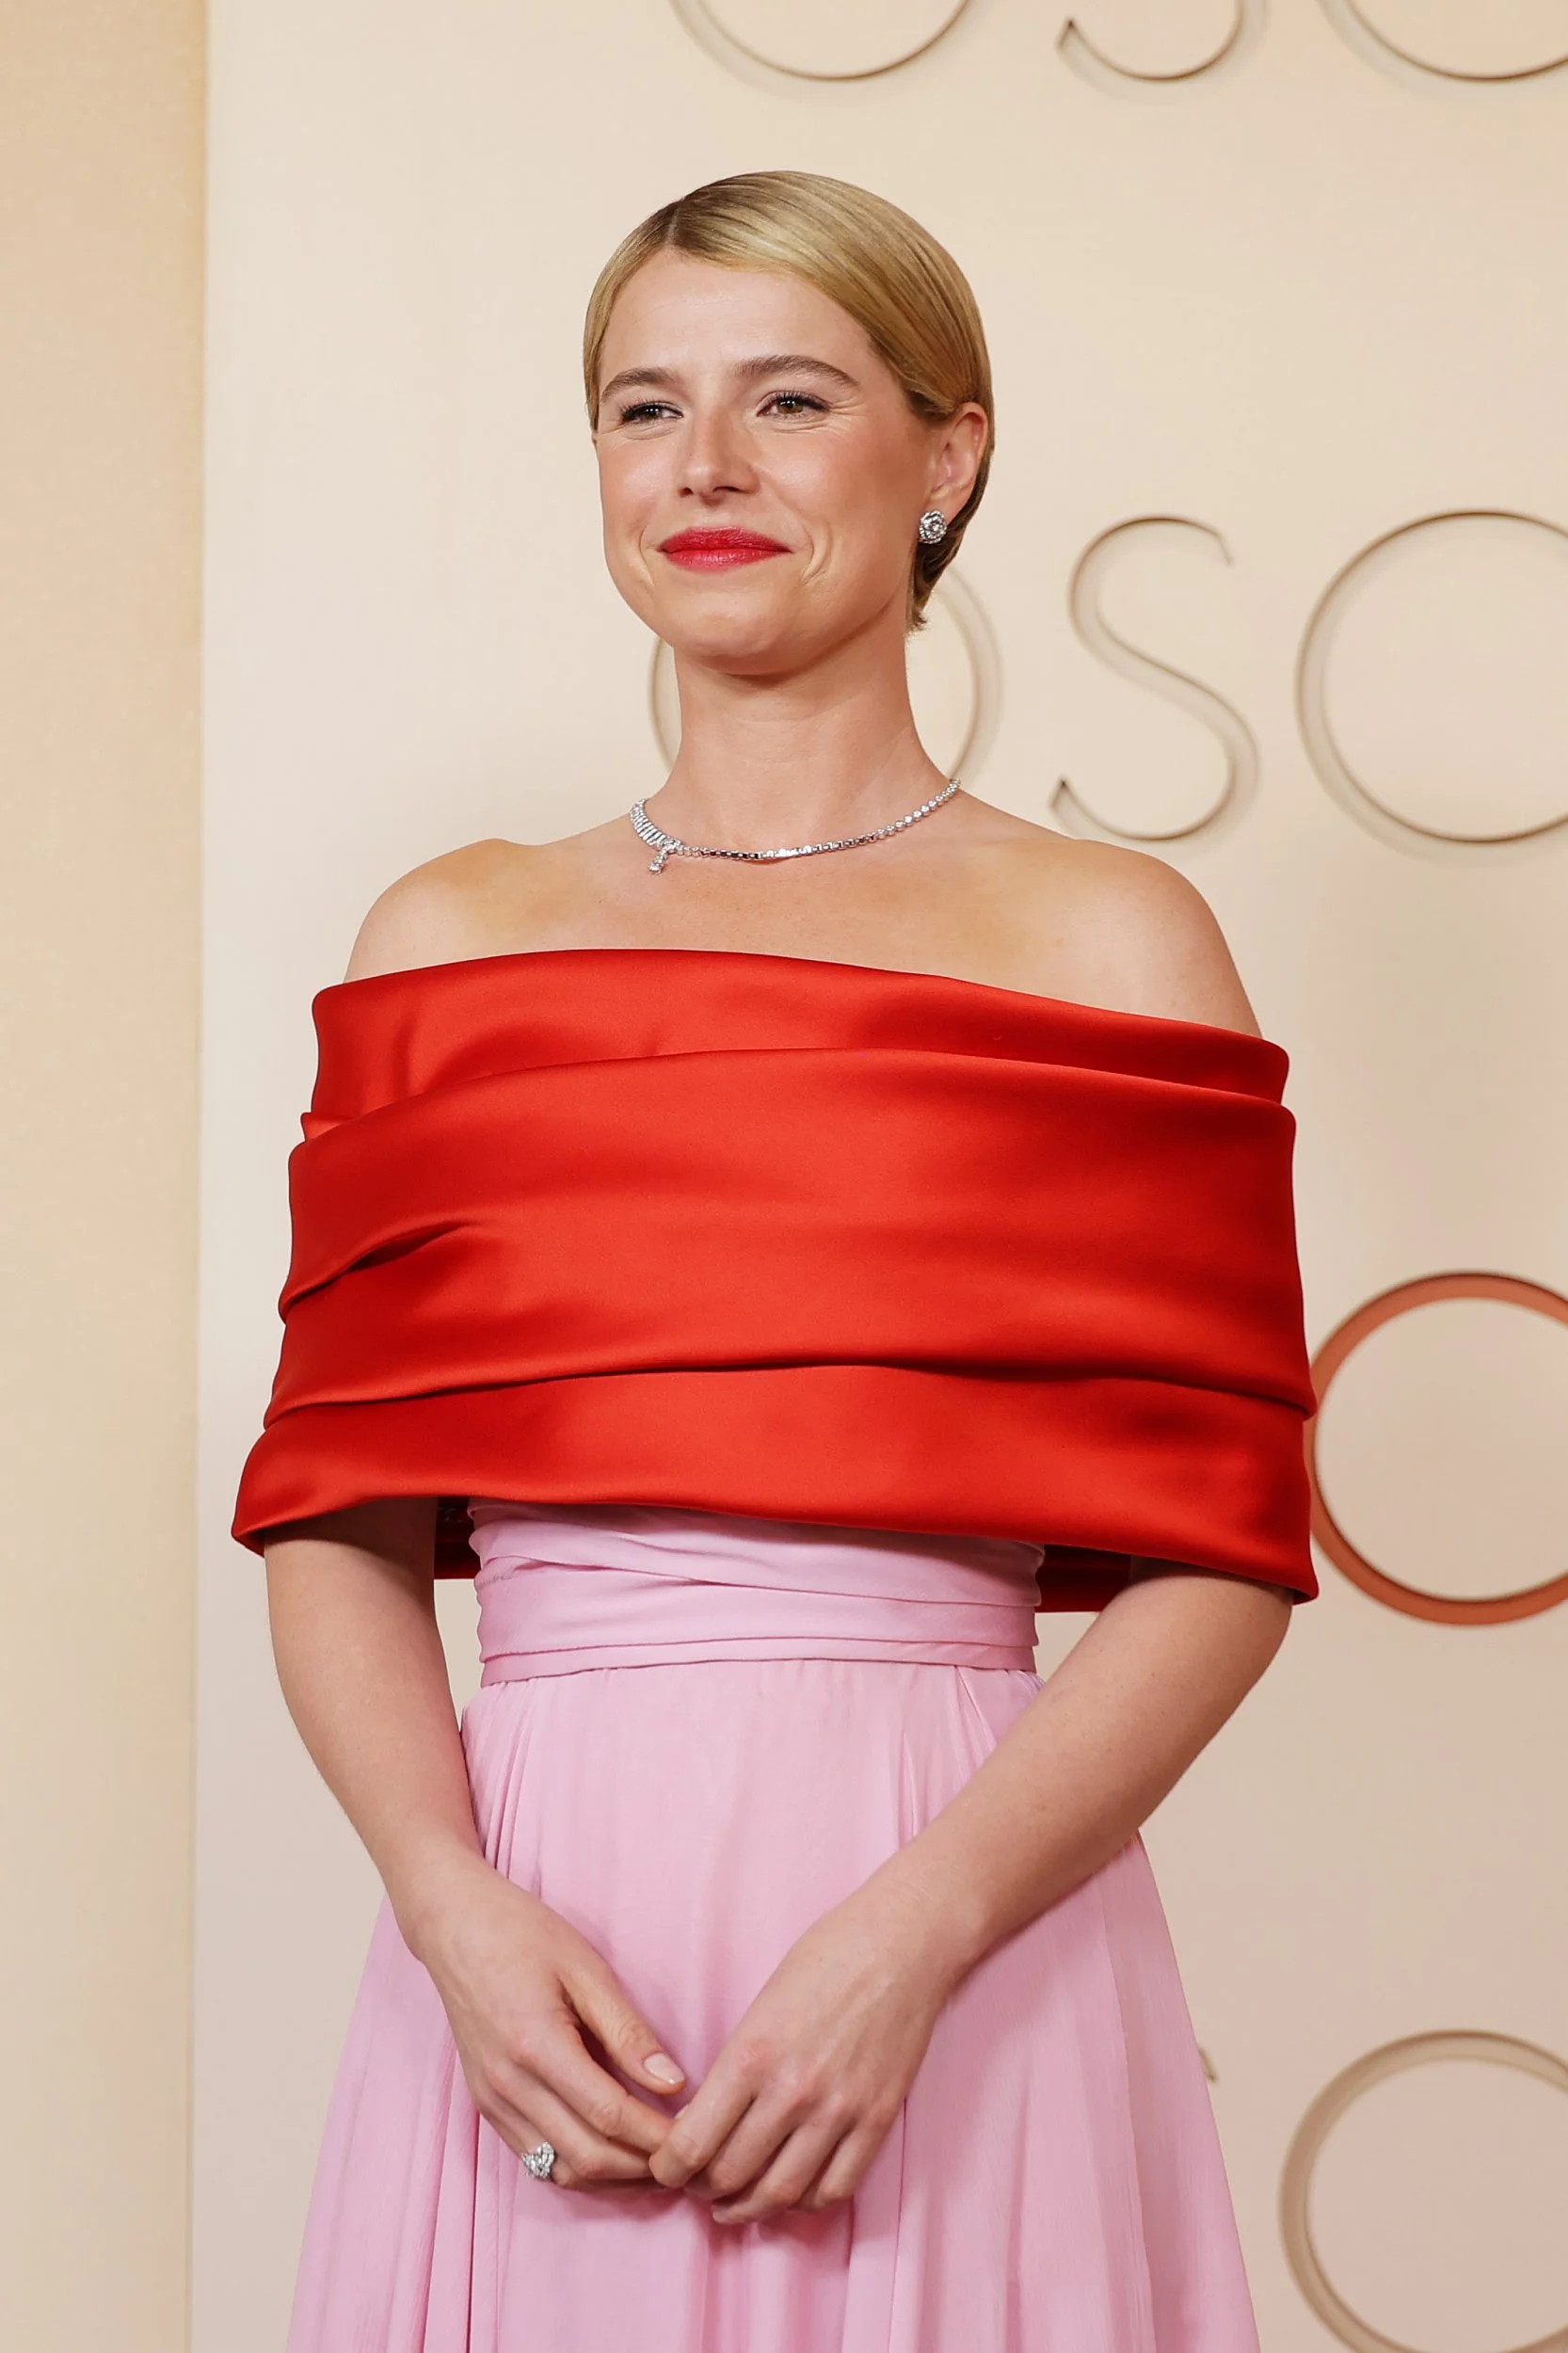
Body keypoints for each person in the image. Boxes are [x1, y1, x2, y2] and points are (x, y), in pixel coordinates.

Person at [235, 170, 1317, 2352]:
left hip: (959, 1910)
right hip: (537, 1938)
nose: (702, 467)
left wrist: (915, 1934)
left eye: (788, 396)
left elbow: (1222, 1550)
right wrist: (445, 1907)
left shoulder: (1112, 944)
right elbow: (332, 1519)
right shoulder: (448, 939)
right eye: (644, 408)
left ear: (948, 452)